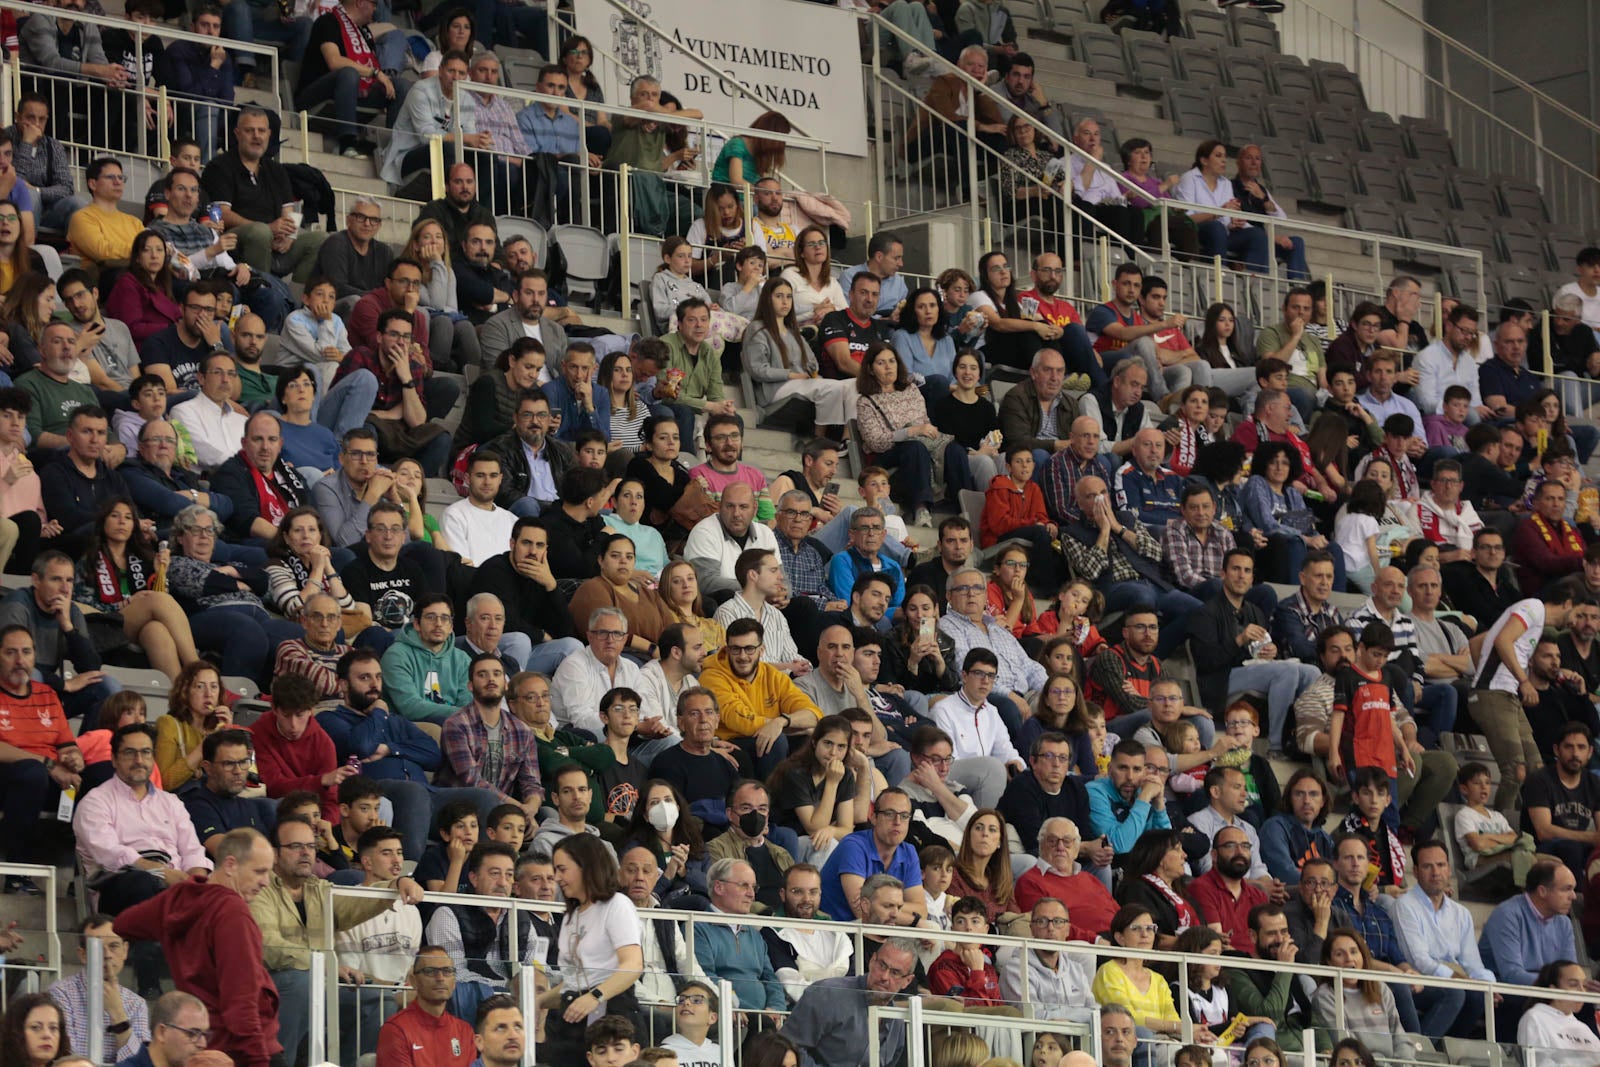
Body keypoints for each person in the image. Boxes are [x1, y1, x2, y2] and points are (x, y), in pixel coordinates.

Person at [113, 827, 278, 1066]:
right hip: (237, 1053)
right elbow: (241, 1003)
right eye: (259, 871)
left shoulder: (177, 898)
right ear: (230, 865)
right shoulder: (233, 914)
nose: (265, 882)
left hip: (200, 1048)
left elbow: (122, 924)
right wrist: (258, 1061)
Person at [1187, 549, 1320, 745]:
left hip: (1252, 670)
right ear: (1223, 574)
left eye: (1247, 571)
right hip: (1218, 680)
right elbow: (1206, 662)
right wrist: (1239, 640)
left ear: (1252, 578)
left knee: (1311, 672)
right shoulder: (1206, 613)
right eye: (1236, 569)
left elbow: (1261, 651)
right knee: (1287, 670)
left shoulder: (1255, 611)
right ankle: (1276, 745)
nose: (1242, 575)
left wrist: (1270, 651)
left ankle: (1305, 740)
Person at [782, 937, 916, 1067]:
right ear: (872, 961)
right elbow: (787, 1046)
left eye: (895, 973)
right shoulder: (827, 994)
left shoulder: (896, 1022)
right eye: (882, 965)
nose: (884, 976)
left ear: (907, 981)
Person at [374, 947, 478, 1067]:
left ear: (454, 981)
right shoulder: (396, 1029)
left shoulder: (465, 1031)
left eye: (447, 971)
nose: (440, 978)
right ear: (414, 981)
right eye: (430, 971)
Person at [1086, 739, 1171, 854]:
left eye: (1137, 769)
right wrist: (1144, 798)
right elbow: (1117, 845)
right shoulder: (1095, 792)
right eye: (1123, 768)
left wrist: (1159, 804)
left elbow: (1167, 846)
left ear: (1144, 772)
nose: (1130, 777)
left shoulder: (1144, 790)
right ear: (1110, 769)